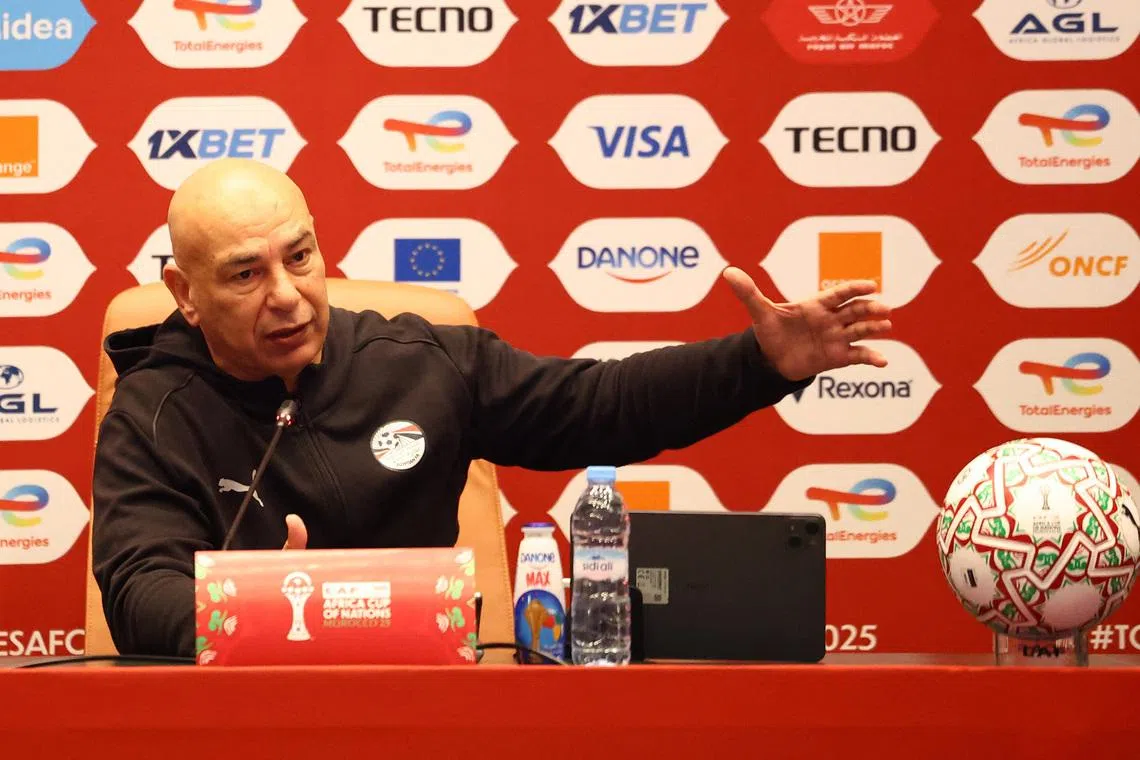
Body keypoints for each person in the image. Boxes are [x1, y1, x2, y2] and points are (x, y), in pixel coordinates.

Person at [92, 159, 892, 658]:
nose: (288, 295)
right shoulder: (154, 411)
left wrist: (761, 364)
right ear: (185, 297)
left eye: (300, 256)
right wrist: (259, 607)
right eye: (244, 275)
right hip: (245, 731)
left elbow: (602, 405)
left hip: (426, 717)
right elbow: (136, 594)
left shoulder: (419, 362)